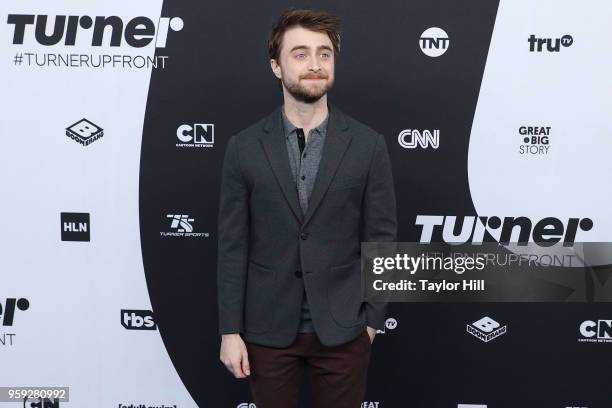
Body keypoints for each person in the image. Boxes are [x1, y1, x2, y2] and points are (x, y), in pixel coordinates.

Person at [217, 8, 397, 408]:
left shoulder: (368, 146)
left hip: (344, 330)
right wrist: (230, 330)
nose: (314, 64)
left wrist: (372, 321)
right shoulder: (243, 148)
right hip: (267, 330)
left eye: (324, 53)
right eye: (300, 54)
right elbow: (232, 246)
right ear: (276, 67)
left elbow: (381, 239)